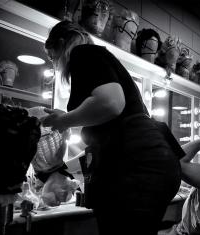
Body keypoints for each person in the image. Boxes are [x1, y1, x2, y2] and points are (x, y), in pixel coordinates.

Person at [41, 20, 181, 235]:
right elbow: (106, 137)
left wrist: (65, 120)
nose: (55, 65)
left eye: (52, 57)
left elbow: (111, 104)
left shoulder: (83, 53)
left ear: (61, 44)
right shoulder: (101, 61)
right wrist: (62, 170)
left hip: (136, 171)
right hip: (150, 166)